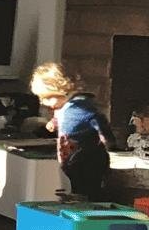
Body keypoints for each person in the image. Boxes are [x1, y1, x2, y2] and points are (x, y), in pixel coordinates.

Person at [31, 62, 115, 201]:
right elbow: (65, 118)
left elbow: (97, 119)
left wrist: (108, 141)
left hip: (88, 160)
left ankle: (89, 211)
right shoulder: (64, 107)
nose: (43, 103)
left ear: (61, 92)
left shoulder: (80, 106)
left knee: (88, 191)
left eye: (46, 98)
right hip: (72, 157)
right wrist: (54, 123)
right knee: (74, 186)